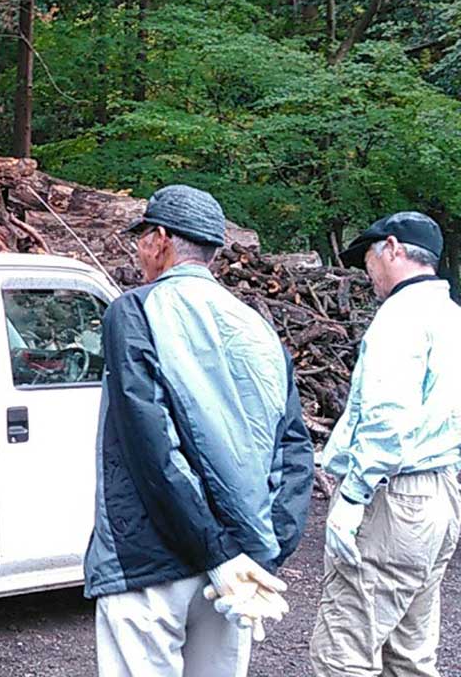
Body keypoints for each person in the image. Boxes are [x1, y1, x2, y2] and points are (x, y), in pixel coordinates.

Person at [84, 185, 314, 677]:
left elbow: (152, 446)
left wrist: (218, 551)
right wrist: (263, 552)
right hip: (238, 568)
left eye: (141, 238)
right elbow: (293, 447)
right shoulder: (257, 324)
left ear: (161, 239)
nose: (138, 251)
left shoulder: (134, 310)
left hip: (152, 559)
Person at [311, 212, 461, 677]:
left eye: (370, 257)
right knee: (412, 656)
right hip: (440, 493)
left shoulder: (400, 318)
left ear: (393, 249)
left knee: (344, 655)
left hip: (393, 498)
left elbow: (387, 419)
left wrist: (353, 495)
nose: (367, 271)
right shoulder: (452, 316)